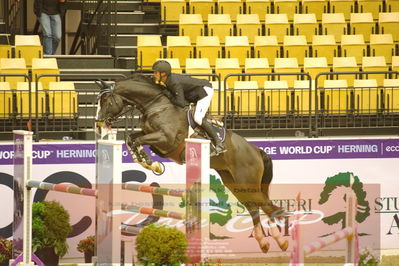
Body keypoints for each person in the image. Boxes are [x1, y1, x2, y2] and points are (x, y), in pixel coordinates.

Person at [152, 60, 226, 156]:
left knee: (198, 118)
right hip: (194, 93)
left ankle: (219, 145)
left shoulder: (173, 83)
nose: (154, 74)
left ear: (163, 74)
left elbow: (180, 103)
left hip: (204, 91)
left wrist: (168, 94)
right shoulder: (167, 80)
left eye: (156, 72)